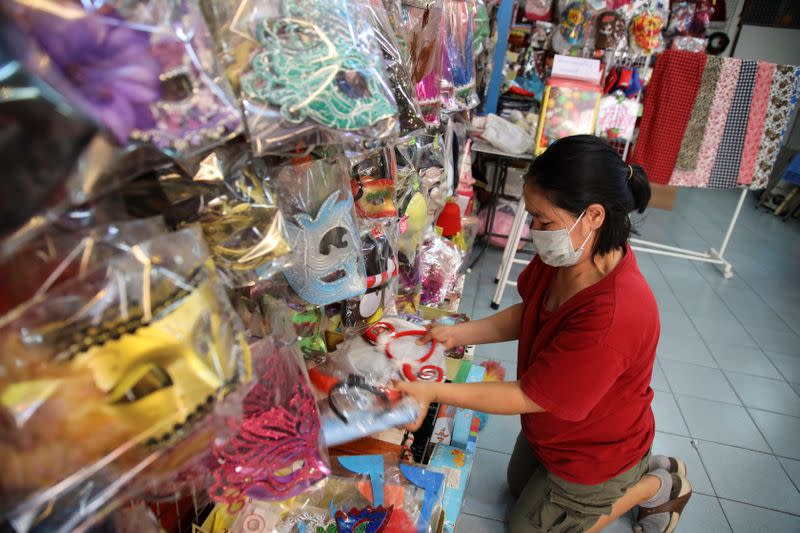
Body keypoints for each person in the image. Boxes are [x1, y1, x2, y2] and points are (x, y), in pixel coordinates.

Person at [395, 135, 692, 533]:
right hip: (556, 430)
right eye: (531, 216)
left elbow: (528, 395)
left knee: (524, 528)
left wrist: (433, 391)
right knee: (518, 487)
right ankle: (637, 472)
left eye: (543, 220)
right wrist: (458, 334)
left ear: (594, 216)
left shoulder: (615, 315)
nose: (533, 230)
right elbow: (532, 312)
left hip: (595, 451)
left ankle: (654, 485)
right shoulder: (570, 254)